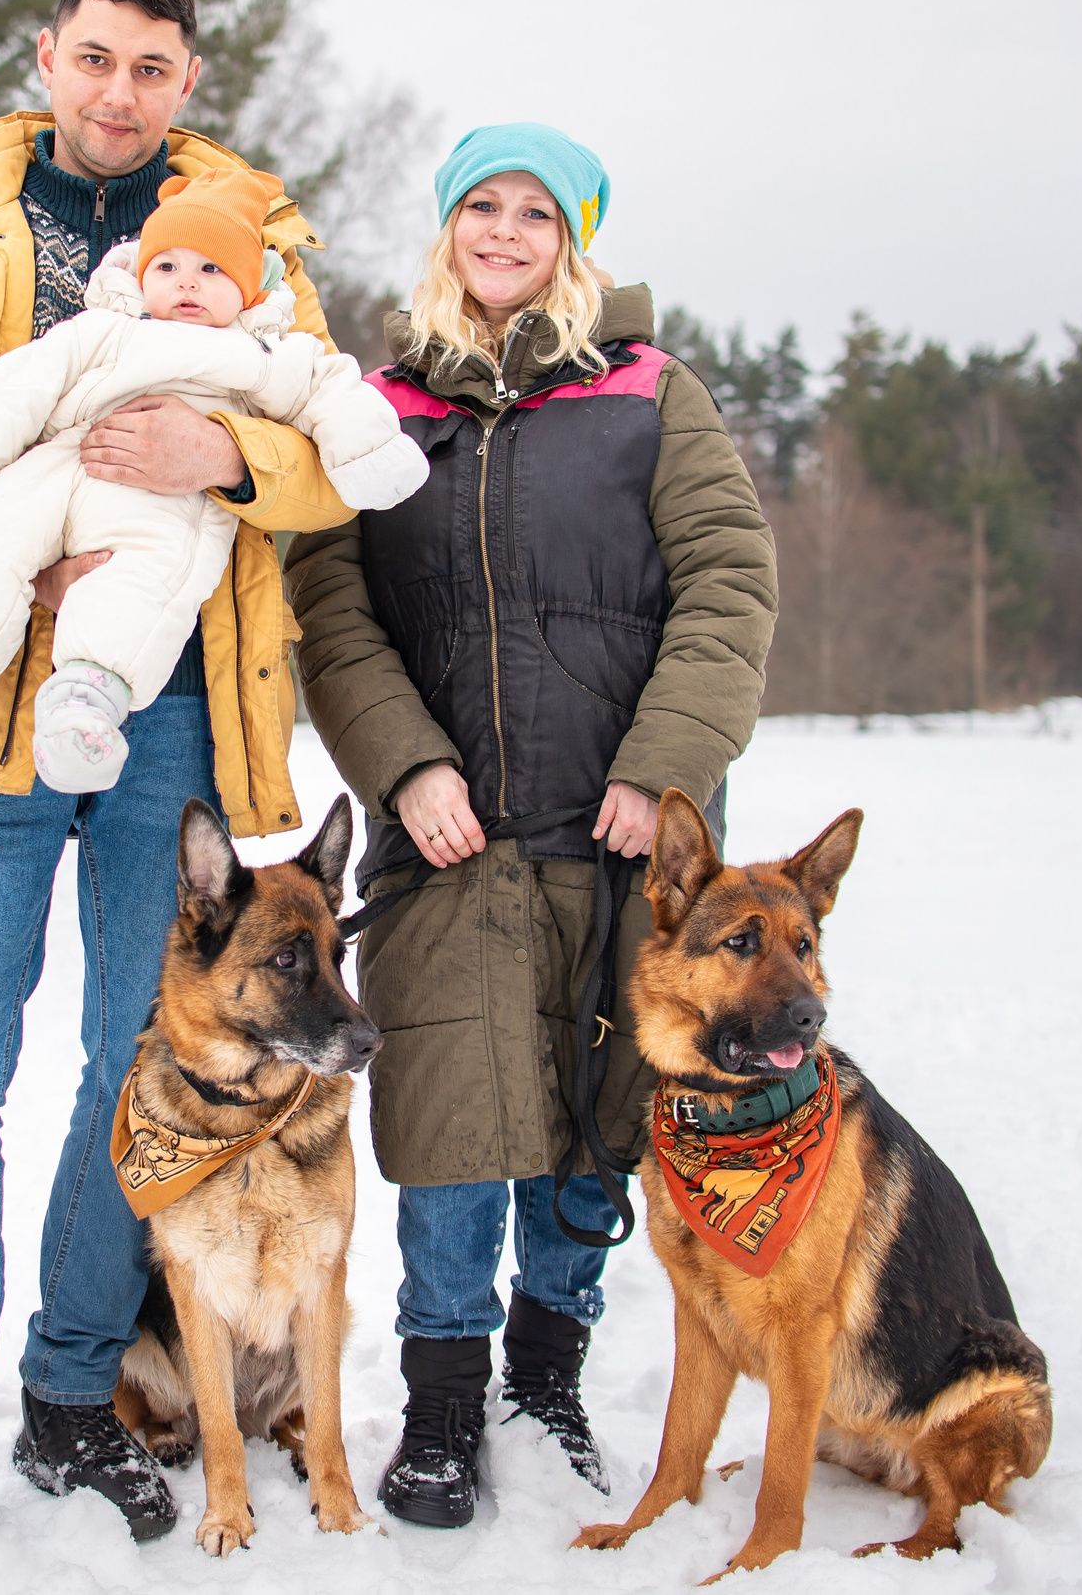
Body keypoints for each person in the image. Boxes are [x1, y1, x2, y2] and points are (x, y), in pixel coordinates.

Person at [0, 0, 353, 1549]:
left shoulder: (258, 240)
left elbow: (338, 449)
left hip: (178, 705)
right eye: (94, 59)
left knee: (139, 1069)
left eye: (151, 69)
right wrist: (11, 554)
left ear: (189, 84)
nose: (119, 92)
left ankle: (69, 1394)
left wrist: (228, 454)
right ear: (48, 56)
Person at [286, 123, 779, 1528]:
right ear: (446, 229)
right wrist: (407, 765)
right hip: (448, 837)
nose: (504, 232)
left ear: (576, 239)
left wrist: (662, 763)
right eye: (479, 207)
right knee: (452, 1115)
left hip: (627, 839)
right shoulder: (373, 405)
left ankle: (543, 1378)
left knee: (592, 1116)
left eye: (536, 213)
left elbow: (730, 586)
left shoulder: (651, 393)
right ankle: (441, 1407)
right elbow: (333, 606)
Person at [0, 166, 423, 789]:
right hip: (59, 464)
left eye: (212, 269)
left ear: (251, 288)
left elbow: (335, 398)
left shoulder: (273, 354)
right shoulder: (106, 329)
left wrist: (370, 456)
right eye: (167, 267)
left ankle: (86, 702)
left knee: (145, 576)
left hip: (161, 500)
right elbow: (31, 378)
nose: (186, 283)